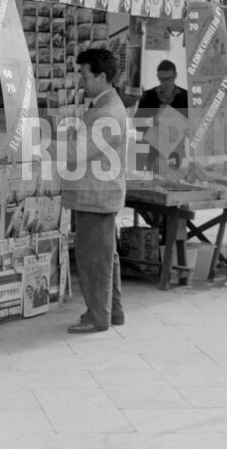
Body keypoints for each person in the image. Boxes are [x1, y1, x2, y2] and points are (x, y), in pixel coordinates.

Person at [63, 48, 126, 333]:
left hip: (96, 197)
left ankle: (97, 316)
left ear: (102, 76)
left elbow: (79, 151)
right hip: (99, 195)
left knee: (93, 259)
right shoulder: (105, 105)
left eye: (85, 75)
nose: (81, 81)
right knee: (105, 256)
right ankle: (112, 311)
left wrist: (39, 144)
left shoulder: (107, 112)